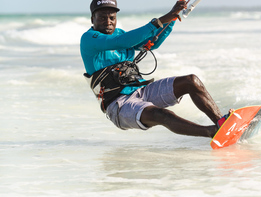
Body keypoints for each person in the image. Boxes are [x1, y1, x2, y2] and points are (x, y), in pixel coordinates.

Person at [81, 0, 231, 138]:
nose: (108, 22)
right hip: (118, 105)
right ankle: (212, 133)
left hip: (142, 91)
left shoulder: (119, 33)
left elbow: (152, 41)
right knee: (162, 115)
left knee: (191, 81)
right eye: (102, 18)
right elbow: (122, 42)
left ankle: (222, 124)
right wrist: (159, 21)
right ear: (92, 19)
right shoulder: (89, 38)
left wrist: (171, 18)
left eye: (112, 18)